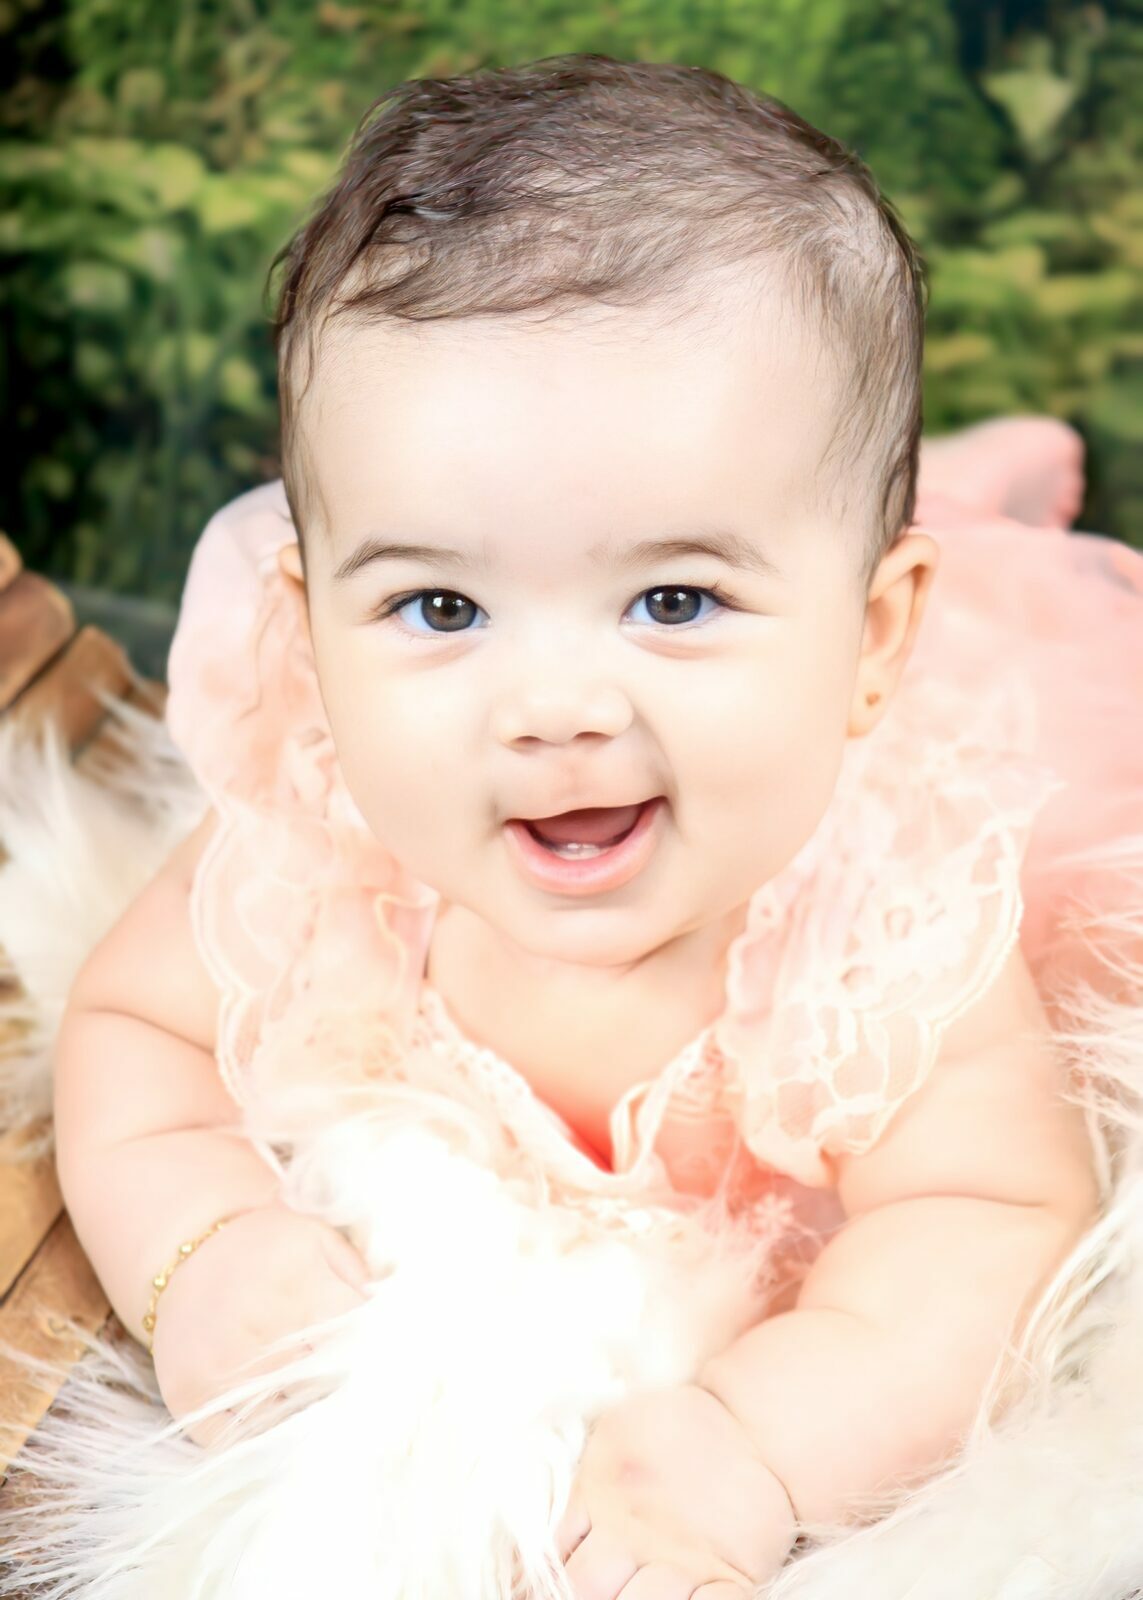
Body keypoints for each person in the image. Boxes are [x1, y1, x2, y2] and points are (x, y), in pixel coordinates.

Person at [50, 55, 1143, 1599]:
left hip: (933, 716)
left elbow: (997, 1216)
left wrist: (754, 1444)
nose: (553, 709)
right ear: (310, 635)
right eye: (441, 607)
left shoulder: (886, 916)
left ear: (875, 644)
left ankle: (957, 502)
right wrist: (201, 1247)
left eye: (675, 598)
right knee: (759, 509)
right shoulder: (326, 831)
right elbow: (132, 1033)